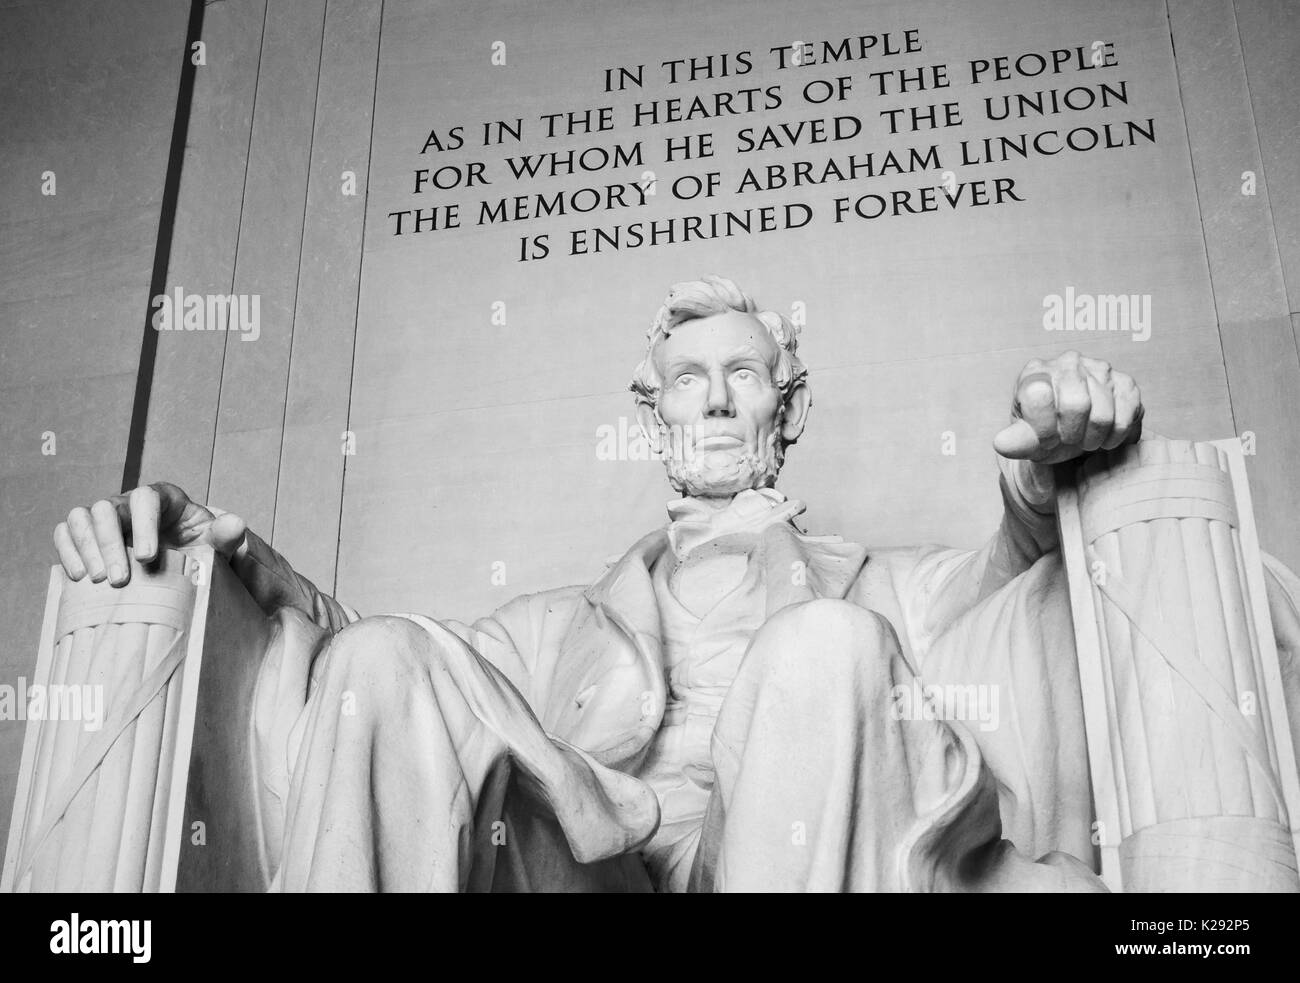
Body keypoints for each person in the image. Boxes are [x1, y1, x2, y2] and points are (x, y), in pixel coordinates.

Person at [54, 275, 1157, 892]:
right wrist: (239, 560)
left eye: (743, 376)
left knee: (822, 644)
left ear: (791, 409)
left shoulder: (886, 587)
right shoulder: (556, 626)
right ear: (655, 417)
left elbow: (1013, 585)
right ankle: (592, 810)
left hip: (803, 847)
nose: (717, 401)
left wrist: (1046, 467)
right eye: (689, 380)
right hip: (600, 878)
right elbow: (376, 679)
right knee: (383, 655)